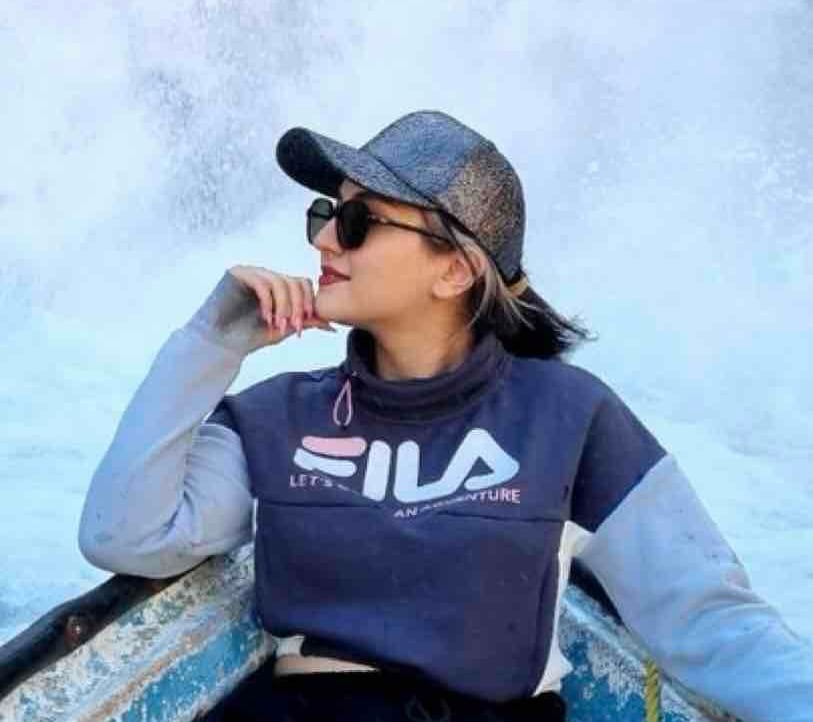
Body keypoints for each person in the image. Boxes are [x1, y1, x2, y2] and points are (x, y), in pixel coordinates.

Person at [77, 110, 813, 722]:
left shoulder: (569, 416)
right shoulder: (275, 415)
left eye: (358, 221)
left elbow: (708, 620)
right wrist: (213, 341)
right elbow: (125, 536)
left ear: (456, 268)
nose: (325, 239)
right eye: (326, 214)